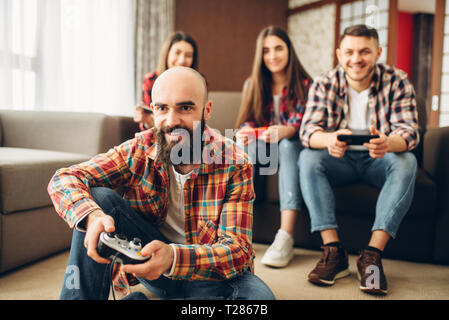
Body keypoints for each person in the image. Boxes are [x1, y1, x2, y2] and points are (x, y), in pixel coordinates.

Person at [48, 66, 275, 300]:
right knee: (99, 199)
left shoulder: (235, 162)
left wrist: (174, 257)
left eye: (185, 107)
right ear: (153, 110)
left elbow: (238, 250)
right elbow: (64, 178)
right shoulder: (138, 149)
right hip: (153, 268)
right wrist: (93, 216)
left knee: (260, 301)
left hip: (213, 277)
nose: (171, 120)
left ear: (207, 110)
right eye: (162, 108)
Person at [299, 24, 419, 296]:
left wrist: (389, 143)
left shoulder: (397, 80)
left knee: (407, 160)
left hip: (379, 160)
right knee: (307, 158)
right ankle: (333, 252)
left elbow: (409, 132)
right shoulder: (324, 82)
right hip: (338, 161)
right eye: (350, 52)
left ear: (378, 52)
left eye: (365, 51)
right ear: (339, 54)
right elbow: (308, 132)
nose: (357, 59)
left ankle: (372, 255)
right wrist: (330, 139)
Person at [235, 25, 312, 268]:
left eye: (278, 48)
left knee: (289, 145)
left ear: (289, 50)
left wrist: (286, 130)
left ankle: (285, 237)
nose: (273, 56)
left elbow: (306, 125)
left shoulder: (306, 84)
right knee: (246, 147)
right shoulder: (253, 84)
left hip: (293, 148)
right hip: (264, 149)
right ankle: (237, 233)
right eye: (266, 50)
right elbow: (248, 119)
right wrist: (246, 131)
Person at [134, 31, 200, 131]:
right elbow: (149, 124)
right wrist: (146, 121)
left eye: (188, 55)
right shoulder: (151, 80)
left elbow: (199, 119)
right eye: (177, 53)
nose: (182, 60)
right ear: (167, 54)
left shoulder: (199, 83)